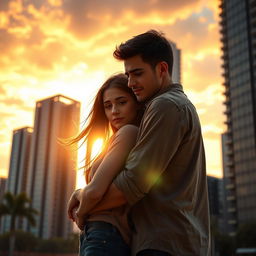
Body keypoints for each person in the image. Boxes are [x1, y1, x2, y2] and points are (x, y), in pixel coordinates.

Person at [69, 30, 211, 256]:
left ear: (162, 69)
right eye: (128, 75)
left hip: (164, 243)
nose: (131, 82)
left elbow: (131, 184)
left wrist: (82, 204)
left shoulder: (166, 106)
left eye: (137, 73)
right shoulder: (169, 108)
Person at [67, 73, 144, 256]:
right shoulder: (116, 139)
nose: (114, 111)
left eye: (122, 102)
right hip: (102, 235)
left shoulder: (129, 132)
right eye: (108, 106)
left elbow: (95, 192)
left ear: (136, 102)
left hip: (105, 234)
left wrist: (81, 214)